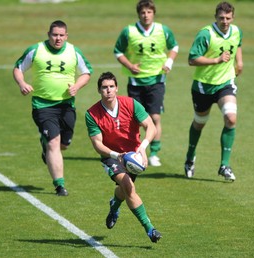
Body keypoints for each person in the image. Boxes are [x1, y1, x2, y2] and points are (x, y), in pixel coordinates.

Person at [13, 20, 93, 196]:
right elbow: (18, 68)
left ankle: (45, 145)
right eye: (54, 35)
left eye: (61, 35)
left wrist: (77, 86)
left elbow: (86, 73)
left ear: (66, 36)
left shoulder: (74, 51)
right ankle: (60, 185)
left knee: (63, 145)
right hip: (43, 105)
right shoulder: (36, 50)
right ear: (49, 35)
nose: (58, 38)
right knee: (54, 143)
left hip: (66, 106)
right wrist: (22, 83)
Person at [85, 72, 162, 243]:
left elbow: (150, 126)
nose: (108, 91)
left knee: (125, 188)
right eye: (104, 87)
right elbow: (97, 144)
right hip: (110, 156)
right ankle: (150, 229)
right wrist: (115, 155)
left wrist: (142, 148)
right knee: (128, 185)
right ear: (99, 90)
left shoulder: (131, 104)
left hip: (133, 155)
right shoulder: (92, 114)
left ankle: (115, 206)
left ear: (117, 88)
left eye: (111, 87)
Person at [114, 0, 179, 167]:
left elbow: (174, 47)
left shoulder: (163, 30)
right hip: (136, 82)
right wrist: (130, 66)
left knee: (155, 116)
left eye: (149, 12)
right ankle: (135, 150)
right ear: (139, 14)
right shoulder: (129, 31)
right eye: (143, 12)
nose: (146, 15)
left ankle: (154, 152)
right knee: (135, 119)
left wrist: (169, 62)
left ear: (153, 13)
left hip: (157, 79)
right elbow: (118, 51)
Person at [184, 1, 243, 181]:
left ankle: (224, 165)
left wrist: (239, 62)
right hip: (203, 86)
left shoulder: (236, 31)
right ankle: (190, 158)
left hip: (225, 83)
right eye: (221, 18)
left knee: (231, 118)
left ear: (232, 18)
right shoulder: (206, 34)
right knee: (200, 122)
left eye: (228, 18)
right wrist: (216, 61)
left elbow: (237, 44)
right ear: (215, 17)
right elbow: (192, 59)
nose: (225, 21)